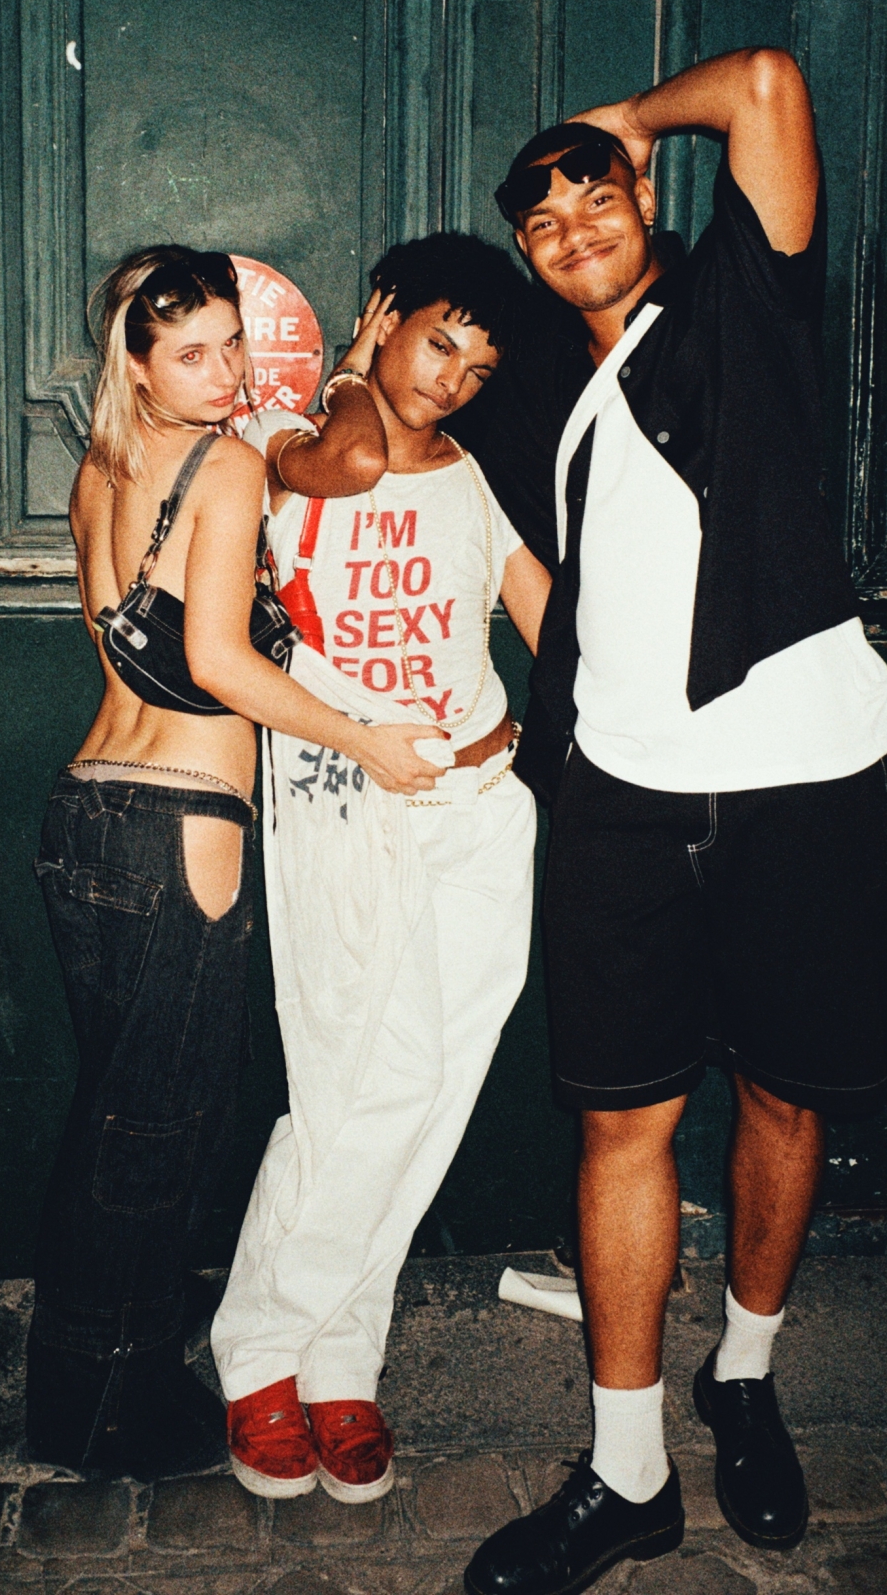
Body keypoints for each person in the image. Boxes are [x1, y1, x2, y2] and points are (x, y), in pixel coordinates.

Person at [462, 52, 887, 1593]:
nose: (570, 224)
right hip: (623, 794)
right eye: (540, 217)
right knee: (620, 1119)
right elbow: (400, 402)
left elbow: (772, 86)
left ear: (646, 197)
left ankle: (746, 1374)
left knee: (783, 1098)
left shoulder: (743, 302)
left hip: (806, 774)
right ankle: (627, 1472)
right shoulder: (540, 385)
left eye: (593, 193)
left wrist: (628, 118)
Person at [27, 245, 446, 1484]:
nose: (224, 374)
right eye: (191, 353)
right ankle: (113, 1412)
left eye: (231, 345)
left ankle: (76, 1390)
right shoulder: (224, 465)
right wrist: (364, 736)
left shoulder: (99, 470)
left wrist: (341, 372)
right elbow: (215, 660)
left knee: (110, 1123)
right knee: (160, 1132)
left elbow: (138, 638)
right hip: (181, 826)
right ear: (137, 365)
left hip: (84, 811)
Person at [210, 236, 552, 1505]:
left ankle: (340, 1358)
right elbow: (351, 460)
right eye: (435, 339)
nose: (450, 378)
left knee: (432, 1096)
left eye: (478, 365)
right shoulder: (287, 445)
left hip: (478, 806)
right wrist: (353, 371)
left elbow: (548, 623)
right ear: (383, 315)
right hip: (346, 798)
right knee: (356, 1082)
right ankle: (261, 1348)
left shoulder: (474, 476)